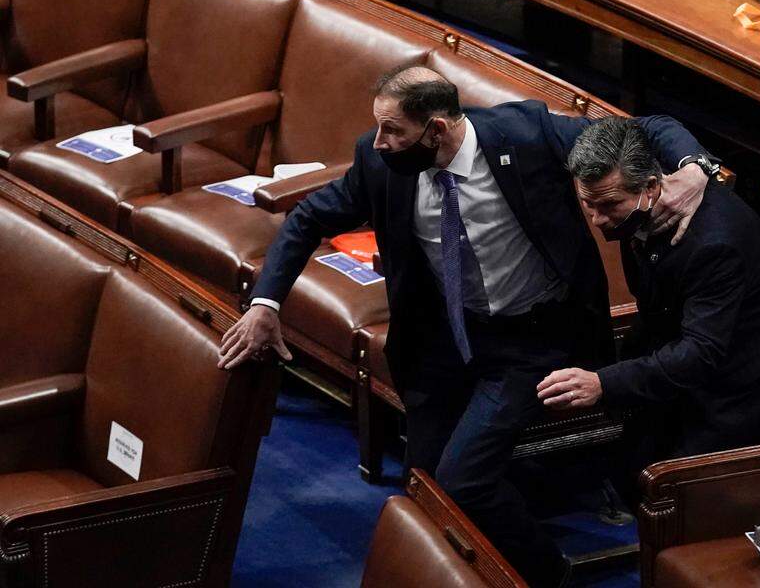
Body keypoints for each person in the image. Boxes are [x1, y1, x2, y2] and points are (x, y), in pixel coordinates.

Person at [216, 64, 713, 586]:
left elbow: (649, 125)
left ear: (436, 129)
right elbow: (308, 219)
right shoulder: (379, 161)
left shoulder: (526, 133)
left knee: (461, 482)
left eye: (393, 131)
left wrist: (697, 167)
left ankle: (548, 575)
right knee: (426, 486)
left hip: (533, 340)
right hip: (443, 342)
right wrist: (265, 305)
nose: (379, 142)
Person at [538, 116, 760, 469]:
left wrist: (604, 382)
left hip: (754, 376)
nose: (598, 220)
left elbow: (700, 352)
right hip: (682, 328)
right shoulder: (624, 166)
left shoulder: (713, 244)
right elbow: (653, 123)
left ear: (648, 187)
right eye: (589, 204)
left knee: (668, 482)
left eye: (610, 205)